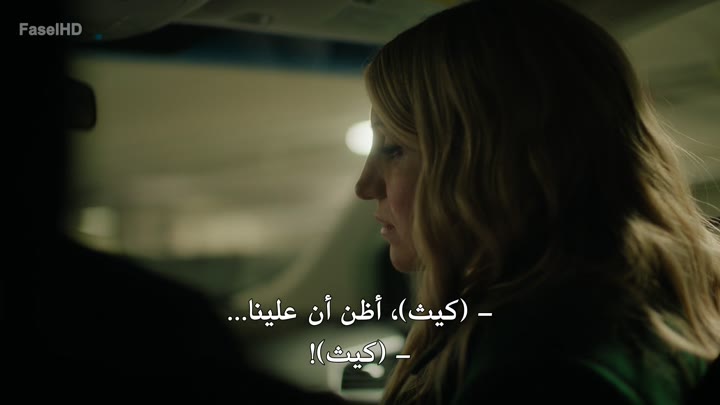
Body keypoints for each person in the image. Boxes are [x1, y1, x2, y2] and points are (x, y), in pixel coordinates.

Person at [354, 0, 720, 404]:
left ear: (496, 162)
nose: (365, 186)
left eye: (393, 148)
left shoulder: (537, 362)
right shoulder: (647, 313)